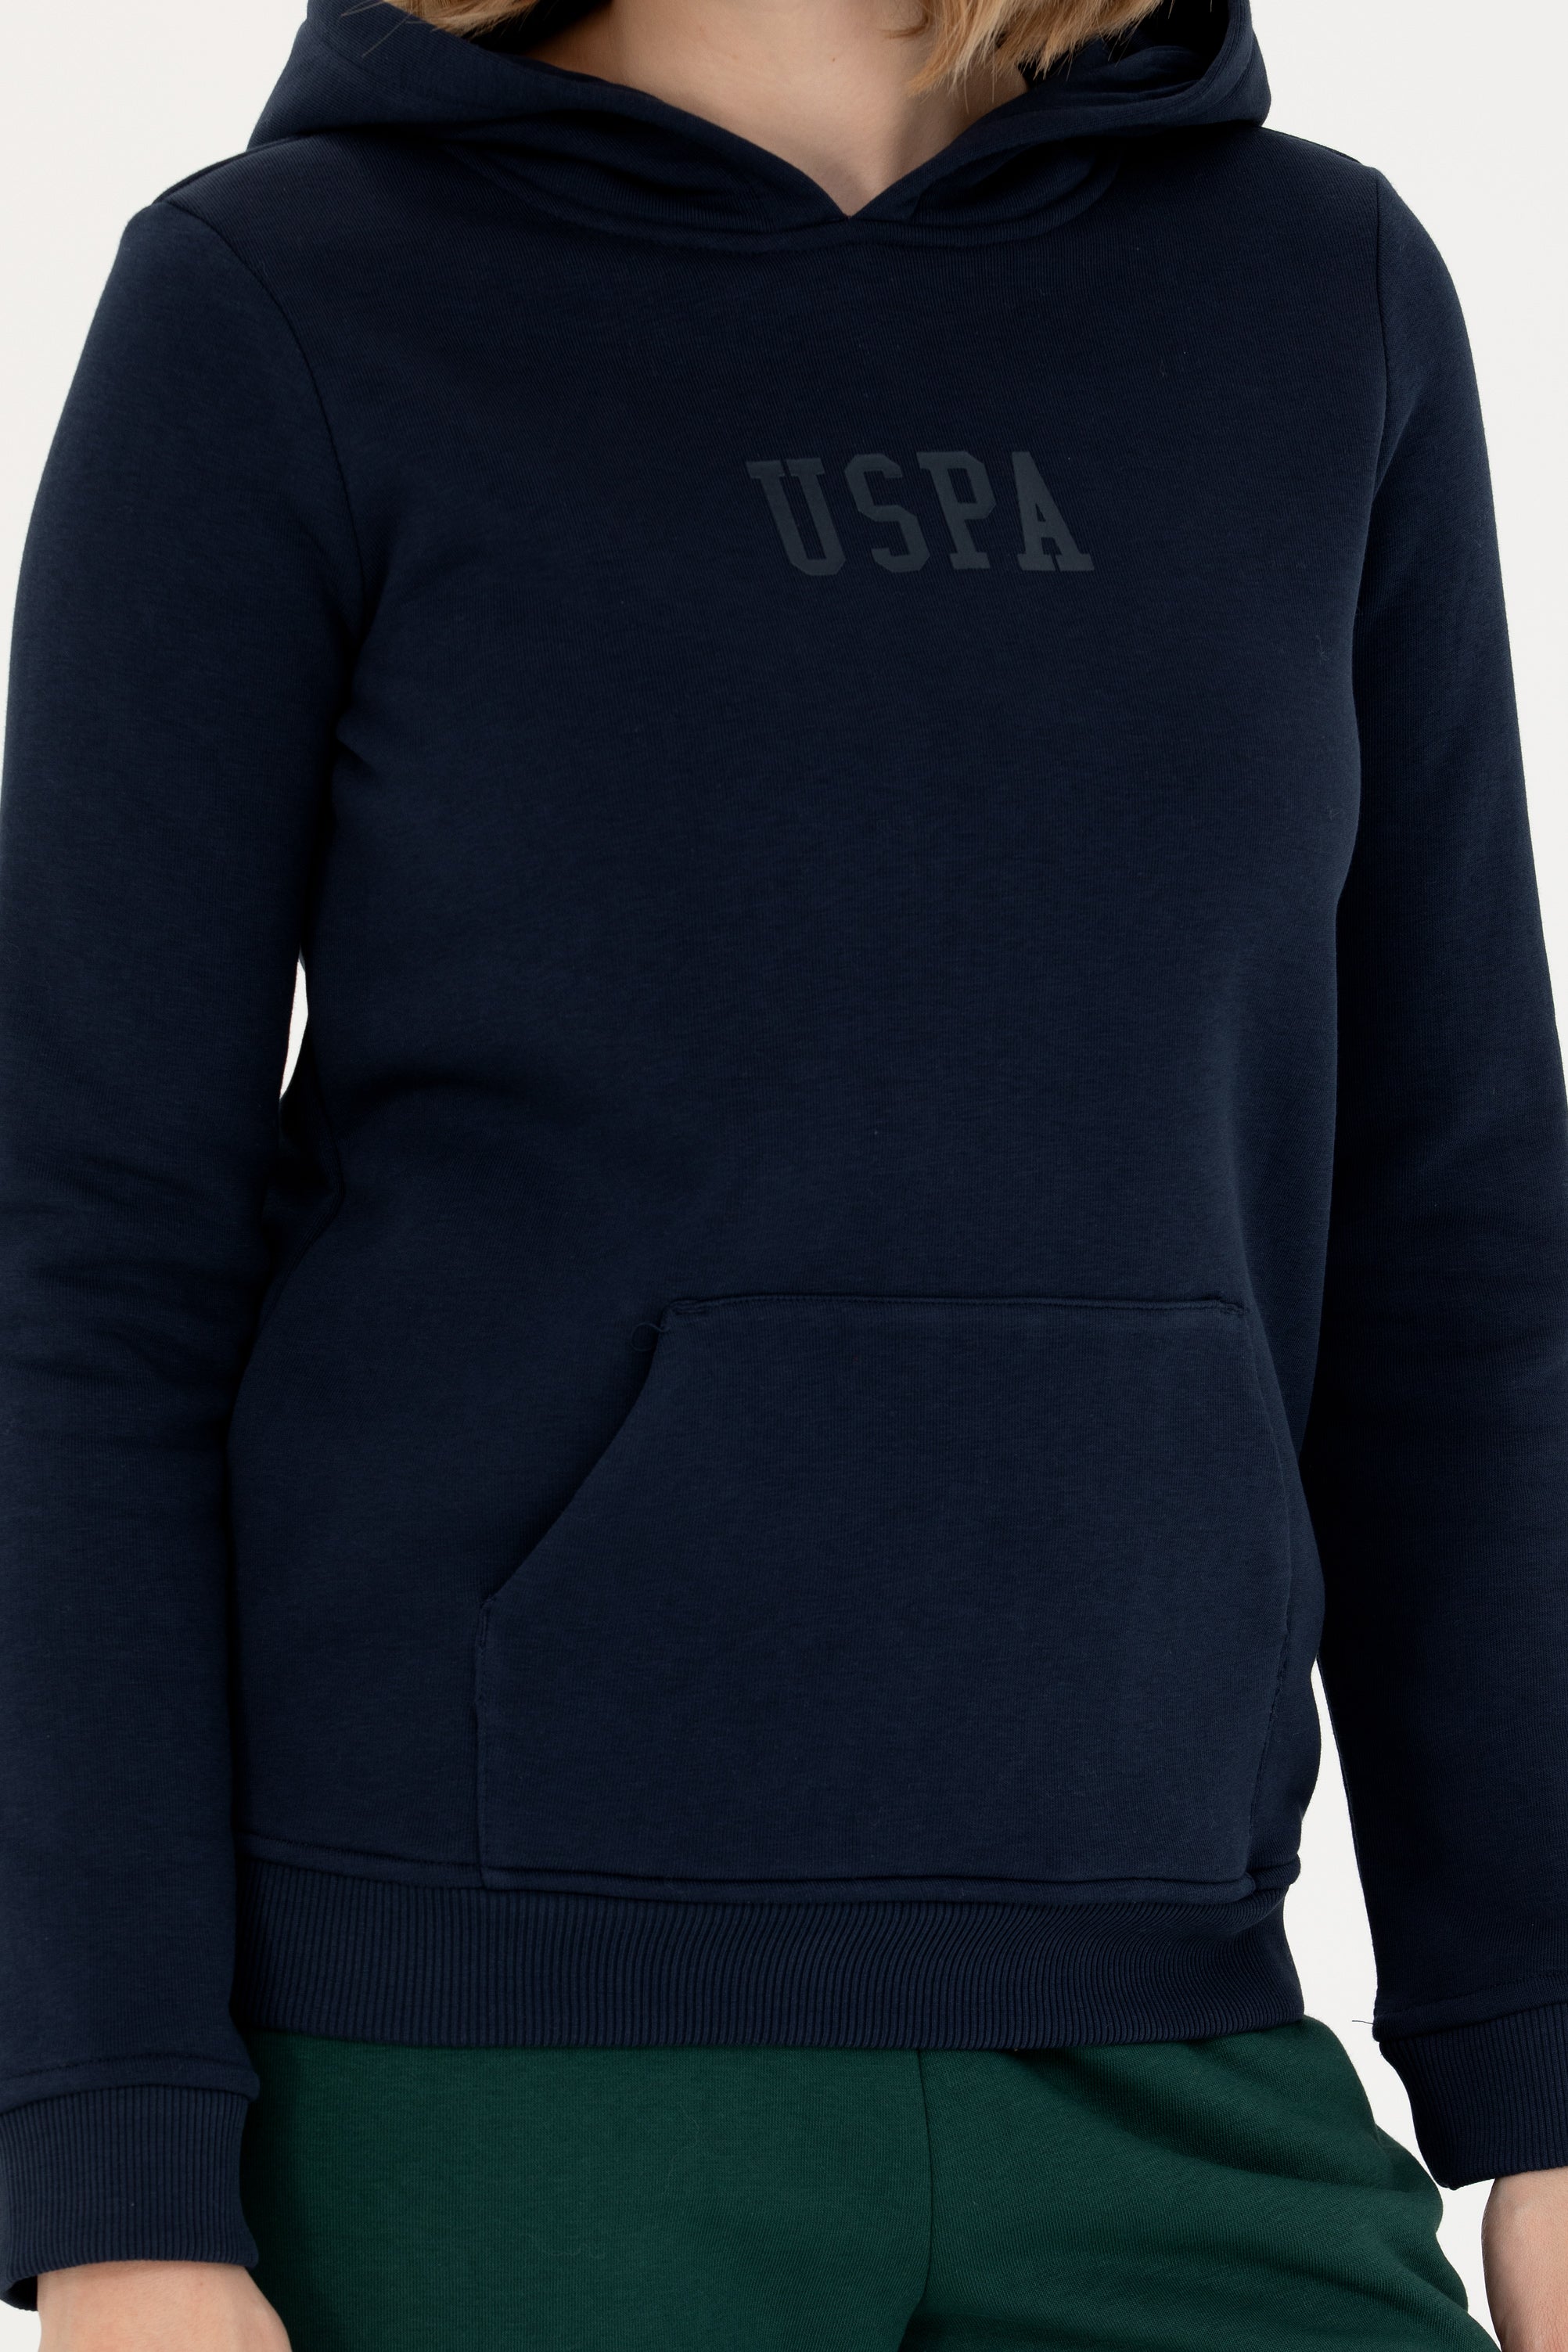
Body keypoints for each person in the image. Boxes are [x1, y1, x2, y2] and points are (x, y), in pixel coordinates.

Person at [2, 0, 1566, 2341]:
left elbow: (1453, 1237)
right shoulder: (286, 295)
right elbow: (82, 1256)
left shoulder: (1310, 291)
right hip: (469, 2084)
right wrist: (117, 2173)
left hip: (1176, 2034)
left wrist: (1540, 2061)